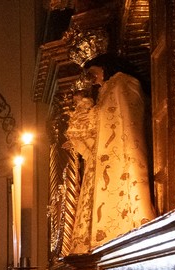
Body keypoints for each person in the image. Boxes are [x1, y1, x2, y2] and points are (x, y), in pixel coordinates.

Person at [65, 52, 156, 253]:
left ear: (105, 66)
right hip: (104, 161)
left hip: (119, 157)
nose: (93, 80)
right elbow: (94, 136)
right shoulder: (106, 90)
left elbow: (127, 122)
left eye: (93, 73)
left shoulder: (122, 83)